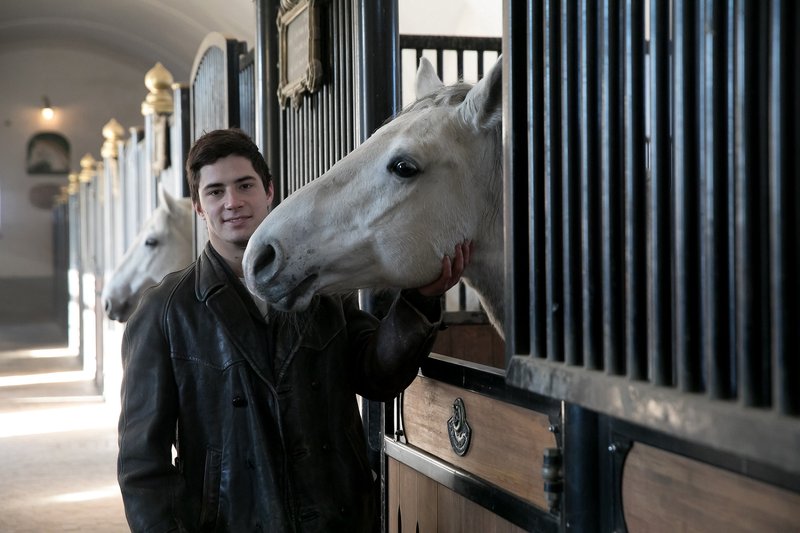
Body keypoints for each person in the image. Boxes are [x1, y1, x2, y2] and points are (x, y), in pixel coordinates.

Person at [117, 128, 471, 532]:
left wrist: (420, 299)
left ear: (269, 191)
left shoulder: (321, 290)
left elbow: (377, 376)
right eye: (215, 192)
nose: (232, 202)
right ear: (198, 206)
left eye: (244, 185)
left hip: (337, 517)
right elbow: (141, 464)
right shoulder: (165, 311)